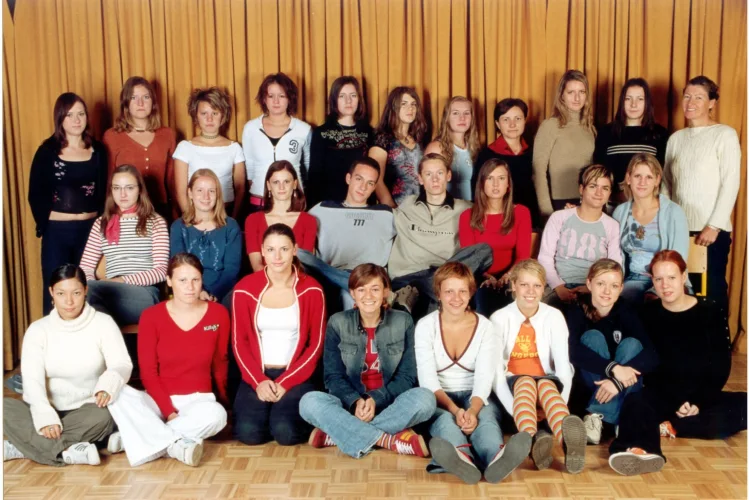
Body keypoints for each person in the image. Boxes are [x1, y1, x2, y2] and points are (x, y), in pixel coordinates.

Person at [608, 250, 747, 475]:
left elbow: (721, 367)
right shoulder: (647, 314)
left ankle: (671, 425)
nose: (665, 285)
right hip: (663, 393)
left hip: (700, 394)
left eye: (671, 277)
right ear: (652, 281)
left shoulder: (711, 310)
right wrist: (675, 400)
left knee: (743, 405)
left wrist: (697, 401)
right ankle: (640, 450)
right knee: (636, 403)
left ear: (683, 277)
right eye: (659, 279)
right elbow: (650, 366)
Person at [299, 264, 436, 459]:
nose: (368, 296)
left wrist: (375, 399)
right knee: (308, 402)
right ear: (352, 293)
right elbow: (333, 377)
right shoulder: (338, 322)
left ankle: (339, 433)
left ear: (385, 292)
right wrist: (355, 402)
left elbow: (407, 376)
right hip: (349, 406)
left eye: (375, 289)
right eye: (361, 290)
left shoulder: (403, 321)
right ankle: (388, 440)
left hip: (390, 405)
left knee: (426, 399)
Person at [105, 253, 229, 467]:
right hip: (156, 400)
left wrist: (225, 401)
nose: (190, 287)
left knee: (218, 416)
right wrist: (168, 411)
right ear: (169, 281)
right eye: (182, 280)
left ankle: (133, 439)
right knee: (118, 393)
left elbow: (220, 363)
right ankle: (174, 444)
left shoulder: (218, 313)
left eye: (195, 279)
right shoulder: (151, 316)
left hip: (199, 401)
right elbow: (148, 372)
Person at [3, 264, 131, 466]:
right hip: (47, 408)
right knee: (4, 407)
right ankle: (66, 451)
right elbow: (32, 382)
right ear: (51, 292)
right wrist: (45, 416)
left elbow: (121, 363)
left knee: (106, 416)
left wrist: (109, 384)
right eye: (61, 293)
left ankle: (22, 447)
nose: (69, 301)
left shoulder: (103, 323)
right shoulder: (38, 330)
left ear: (86, 291)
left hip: (88, 410)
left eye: (76, 293)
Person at [416, 262, 530, 485]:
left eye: (462, 291)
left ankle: (496, 458)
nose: (456, 298)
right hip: (439, 397)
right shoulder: (425, 326)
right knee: (445, 422)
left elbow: (484, 377)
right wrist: (456, 410)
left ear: (471, 293)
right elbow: (428, 380)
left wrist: (473, 409)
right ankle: (462, 458)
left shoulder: (485, 327)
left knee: (486, 420)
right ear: (438, 294)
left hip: (477, 395)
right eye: (449, 291)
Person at [232, 224, 325, 446]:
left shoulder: (312, 289)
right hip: (258, 373)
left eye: (284, 249)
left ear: (295, 250)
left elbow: (316, 345)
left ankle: (289, 418)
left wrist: (286, 382)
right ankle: (269, 415)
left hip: (296, 374)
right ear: (262, 252)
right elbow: (239, 342)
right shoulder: (244, 289)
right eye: (271, 249)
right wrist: (259, 381)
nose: (277, 256)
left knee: (285, 433)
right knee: (248, 433)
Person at [491, 259, 586, 474]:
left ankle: (568, 443)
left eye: (537, 285)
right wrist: (515, 410)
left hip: (547, 383)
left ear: (544, 288)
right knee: (526, 382)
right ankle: (531, 437)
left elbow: (563, 368)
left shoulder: (554, 316)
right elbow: (496, 374)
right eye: (524, 285)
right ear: (513, 285)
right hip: (514, 387)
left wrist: (558, 404)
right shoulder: (499, 318)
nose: (530, 291)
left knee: (546, 385)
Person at [663, 76, 740, 310]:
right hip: (679, 229)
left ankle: (718, 335)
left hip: (710, 232)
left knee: (710, 292)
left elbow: (730, 182)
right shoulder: (676, 139)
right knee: (681, 291)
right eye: (687, 96)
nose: (691, 102)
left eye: (698, 97)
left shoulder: (724, 135)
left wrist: (714, 225)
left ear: (712, 102)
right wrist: (667, 221)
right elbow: (666, 184)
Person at [28, 92, 108, 315]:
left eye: (81, 114)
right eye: (70, 115)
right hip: (57, 232)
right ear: (60, 118)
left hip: (90, 231)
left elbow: (104, 190)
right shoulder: (47, 152)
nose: (76, 120)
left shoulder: (98, 150)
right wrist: (46, 224)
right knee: (57, 289)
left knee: (88, 289)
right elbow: (35, 193)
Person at [566, 259, 658, 445]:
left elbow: (651, 354)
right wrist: (613, 369)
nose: (607, 291)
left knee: (632, 344)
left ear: (621, 288)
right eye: (601, 284)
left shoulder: (627, 311)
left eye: (614, 286)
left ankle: (597, 417)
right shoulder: (575, 310)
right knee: (592, 337)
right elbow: (572, 350)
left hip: (620, 386)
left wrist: (616, 382)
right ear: (589, 283)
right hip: (589, 385)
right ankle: (620, 421)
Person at [388, 153, 492, 314]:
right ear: (420, 179)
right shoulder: (407, 205)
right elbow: (378, 220)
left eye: (440, 173)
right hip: (407, 278)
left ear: (448, 176)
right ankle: (432, 294)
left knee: (484, 250)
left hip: (444, 274)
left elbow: (494, 228)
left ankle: (428, 291)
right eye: (428, 174)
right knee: (442, 291)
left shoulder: (466, 209)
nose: (435, 179)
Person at [300, 158, 397, 310]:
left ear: (374, 187)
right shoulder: (322, 209)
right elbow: (298, 233)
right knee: (299, 254)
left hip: (369, 277)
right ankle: (352, 284)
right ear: (348, 178)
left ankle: (354, 286)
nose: (363, 187)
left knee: (349, 294)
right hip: (330, 275)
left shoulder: (387, 214)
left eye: (370, 183)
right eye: (359, 179)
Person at [79, 165, 168, 326]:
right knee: (89, 305)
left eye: (129, 188)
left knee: (84, 303)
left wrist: (119, 281)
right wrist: (96, 287)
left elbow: (161, 271)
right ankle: (110, 339)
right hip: (107, 293)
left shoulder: (155, 221)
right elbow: (85, 267)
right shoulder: (101, 223)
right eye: (117, 188)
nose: (123, 194)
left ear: (140, 190)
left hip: (144, 294)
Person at [537, 164, 621, 309]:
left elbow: (614, 264)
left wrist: (591, 287)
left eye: (605, 188)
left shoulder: (612, 225)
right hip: (557, 285)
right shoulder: (559, 217)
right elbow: (545, 257)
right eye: (593, 186)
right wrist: (558, 287)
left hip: (594, 289)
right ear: (582, 189)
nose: (599, 193)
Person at [612, 154, 690, 302]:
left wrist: (655, 289)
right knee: (614, 302)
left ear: (657, 180)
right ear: (628, 178)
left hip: (667, 281)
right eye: (637, 176)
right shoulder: (620, 212)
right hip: (633, 279)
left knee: (652, 305)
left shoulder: (673, 212)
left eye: (649, 177)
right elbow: (614, 253)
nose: (642, 182)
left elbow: (678, 259)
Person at [459, 159, 532, 317]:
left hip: (512, 275)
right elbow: (470, 259)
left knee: (510, 297)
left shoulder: (521, 213)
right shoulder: (467, 216)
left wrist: (508, 276)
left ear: (508, 184)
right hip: (479, 277)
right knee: (484, 295)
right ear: (482, 183)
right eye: (490, 178)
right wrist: (485, 277)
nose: (496, 184)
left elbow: (523, 256)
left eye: (501, 178)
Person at [103, 76, 177, 220]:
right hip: (125, 211)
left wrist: (175, 213)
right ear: (126, 103)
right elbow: (109, 181)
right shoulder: (112, 136)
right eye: (134, 97)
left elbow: (172, 181)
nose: (140, 103)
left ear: (153, 102)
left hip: (160, 210)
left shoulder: (168, 135)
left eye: (146, 97)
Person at [170, 169, 242, 305]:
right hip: (188, 290)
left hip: (223, 291)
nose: (206, 196)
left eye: (211, 191)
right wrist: (199, 291)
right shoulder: (178, 227)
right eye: (199, 190)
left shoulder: (231, 226)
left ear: (217, 194)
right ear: (190, 193)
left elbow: (231, 270)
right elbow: (179, 266)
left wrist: (212, 293)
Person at [241, 73, 312, 211]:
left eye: (281, 96)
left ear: (289, 98)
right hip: (259, 202)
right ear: (264, 99)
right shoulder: (251, 128)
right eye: (271, 96)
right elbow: (249, 168)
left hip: (293, 202)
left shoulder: (303, 129)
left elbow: (309, 168)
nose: (276, 101)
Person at [173, 87, 246, 220]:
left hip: (226, 213)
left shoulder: (234, 148)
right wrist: (192, 220)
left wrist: (233, 219)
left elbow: (240, 189)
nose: (209, 119)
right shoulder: (184, 147)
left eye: (215, 113)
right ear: (196, 116)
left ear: (223, 116)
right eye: (204, 113)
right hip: (195, 214)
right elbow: (180, 192)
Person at [593, 78, 668, 204]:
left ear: (647, 103)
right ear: (622, 102)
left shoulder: (660, 134)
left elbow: (663, 175)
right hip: (612, 204)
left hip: (647, 205)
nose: (634, 104)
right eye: (628, 99)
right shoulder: (607, 132)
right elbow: (598, 171)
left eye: (640, 99)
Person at [533, 70, 596, 217]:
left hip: (587, 202)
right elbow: (538, 172)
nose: (577, 97)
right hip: (558, 204)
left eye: (581, 92)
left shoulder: (590, 129)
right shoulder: (550, 126)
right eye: (571, 92)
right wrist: (546, 212)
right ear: (562, 95)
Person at [306, 76, 374, 207]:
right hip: (329, 204)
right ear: (334, 100)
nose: (348, 101)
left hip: (362, 205)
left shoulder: (369, 132)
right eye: (342, 96)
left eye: (353, 95)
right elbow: (314, 177)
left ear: (359, 99)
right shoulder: (321, 133)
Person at [474, 98, 540, 227]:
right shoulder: (487, 155)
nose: (512, 125)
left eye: (518, 119)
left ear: (525, 121)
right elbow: (478, 191)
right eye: (506, 120)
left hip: (530, 218)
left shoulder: (534, 153)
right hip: (498, 220)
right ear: (498, 124)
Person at [245, 160, 317, 272]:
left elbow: (306, 265)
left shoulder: (309, 221)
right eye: (276, 182)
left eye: (286, 181)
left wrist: (287, 281)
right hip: (263, 279)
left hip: (298, 279)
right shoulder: (253, 220)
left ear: (294, 184)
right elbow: (256, 265)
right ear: (269, 185)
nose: (281, 187)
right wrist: (275, 281)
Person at [368, 87, 427, 207]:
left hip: (421, 207)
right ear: (393, 108)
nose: (410, 108)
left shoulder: (419, 138)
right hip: (395, 207)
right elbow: (377, 180)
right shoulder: (382, 139)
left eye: (413, 104)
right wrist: (393, 209)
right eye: (403, 104)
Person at [424, 97, 480, 201]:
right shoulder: (436, 148)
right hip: (447, 209)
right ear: (447, 118)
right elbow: (429, 188)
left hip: (469, 208)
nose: (462, 118)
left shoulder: (473, 147)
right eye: (455, 113)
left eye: (466, 113)